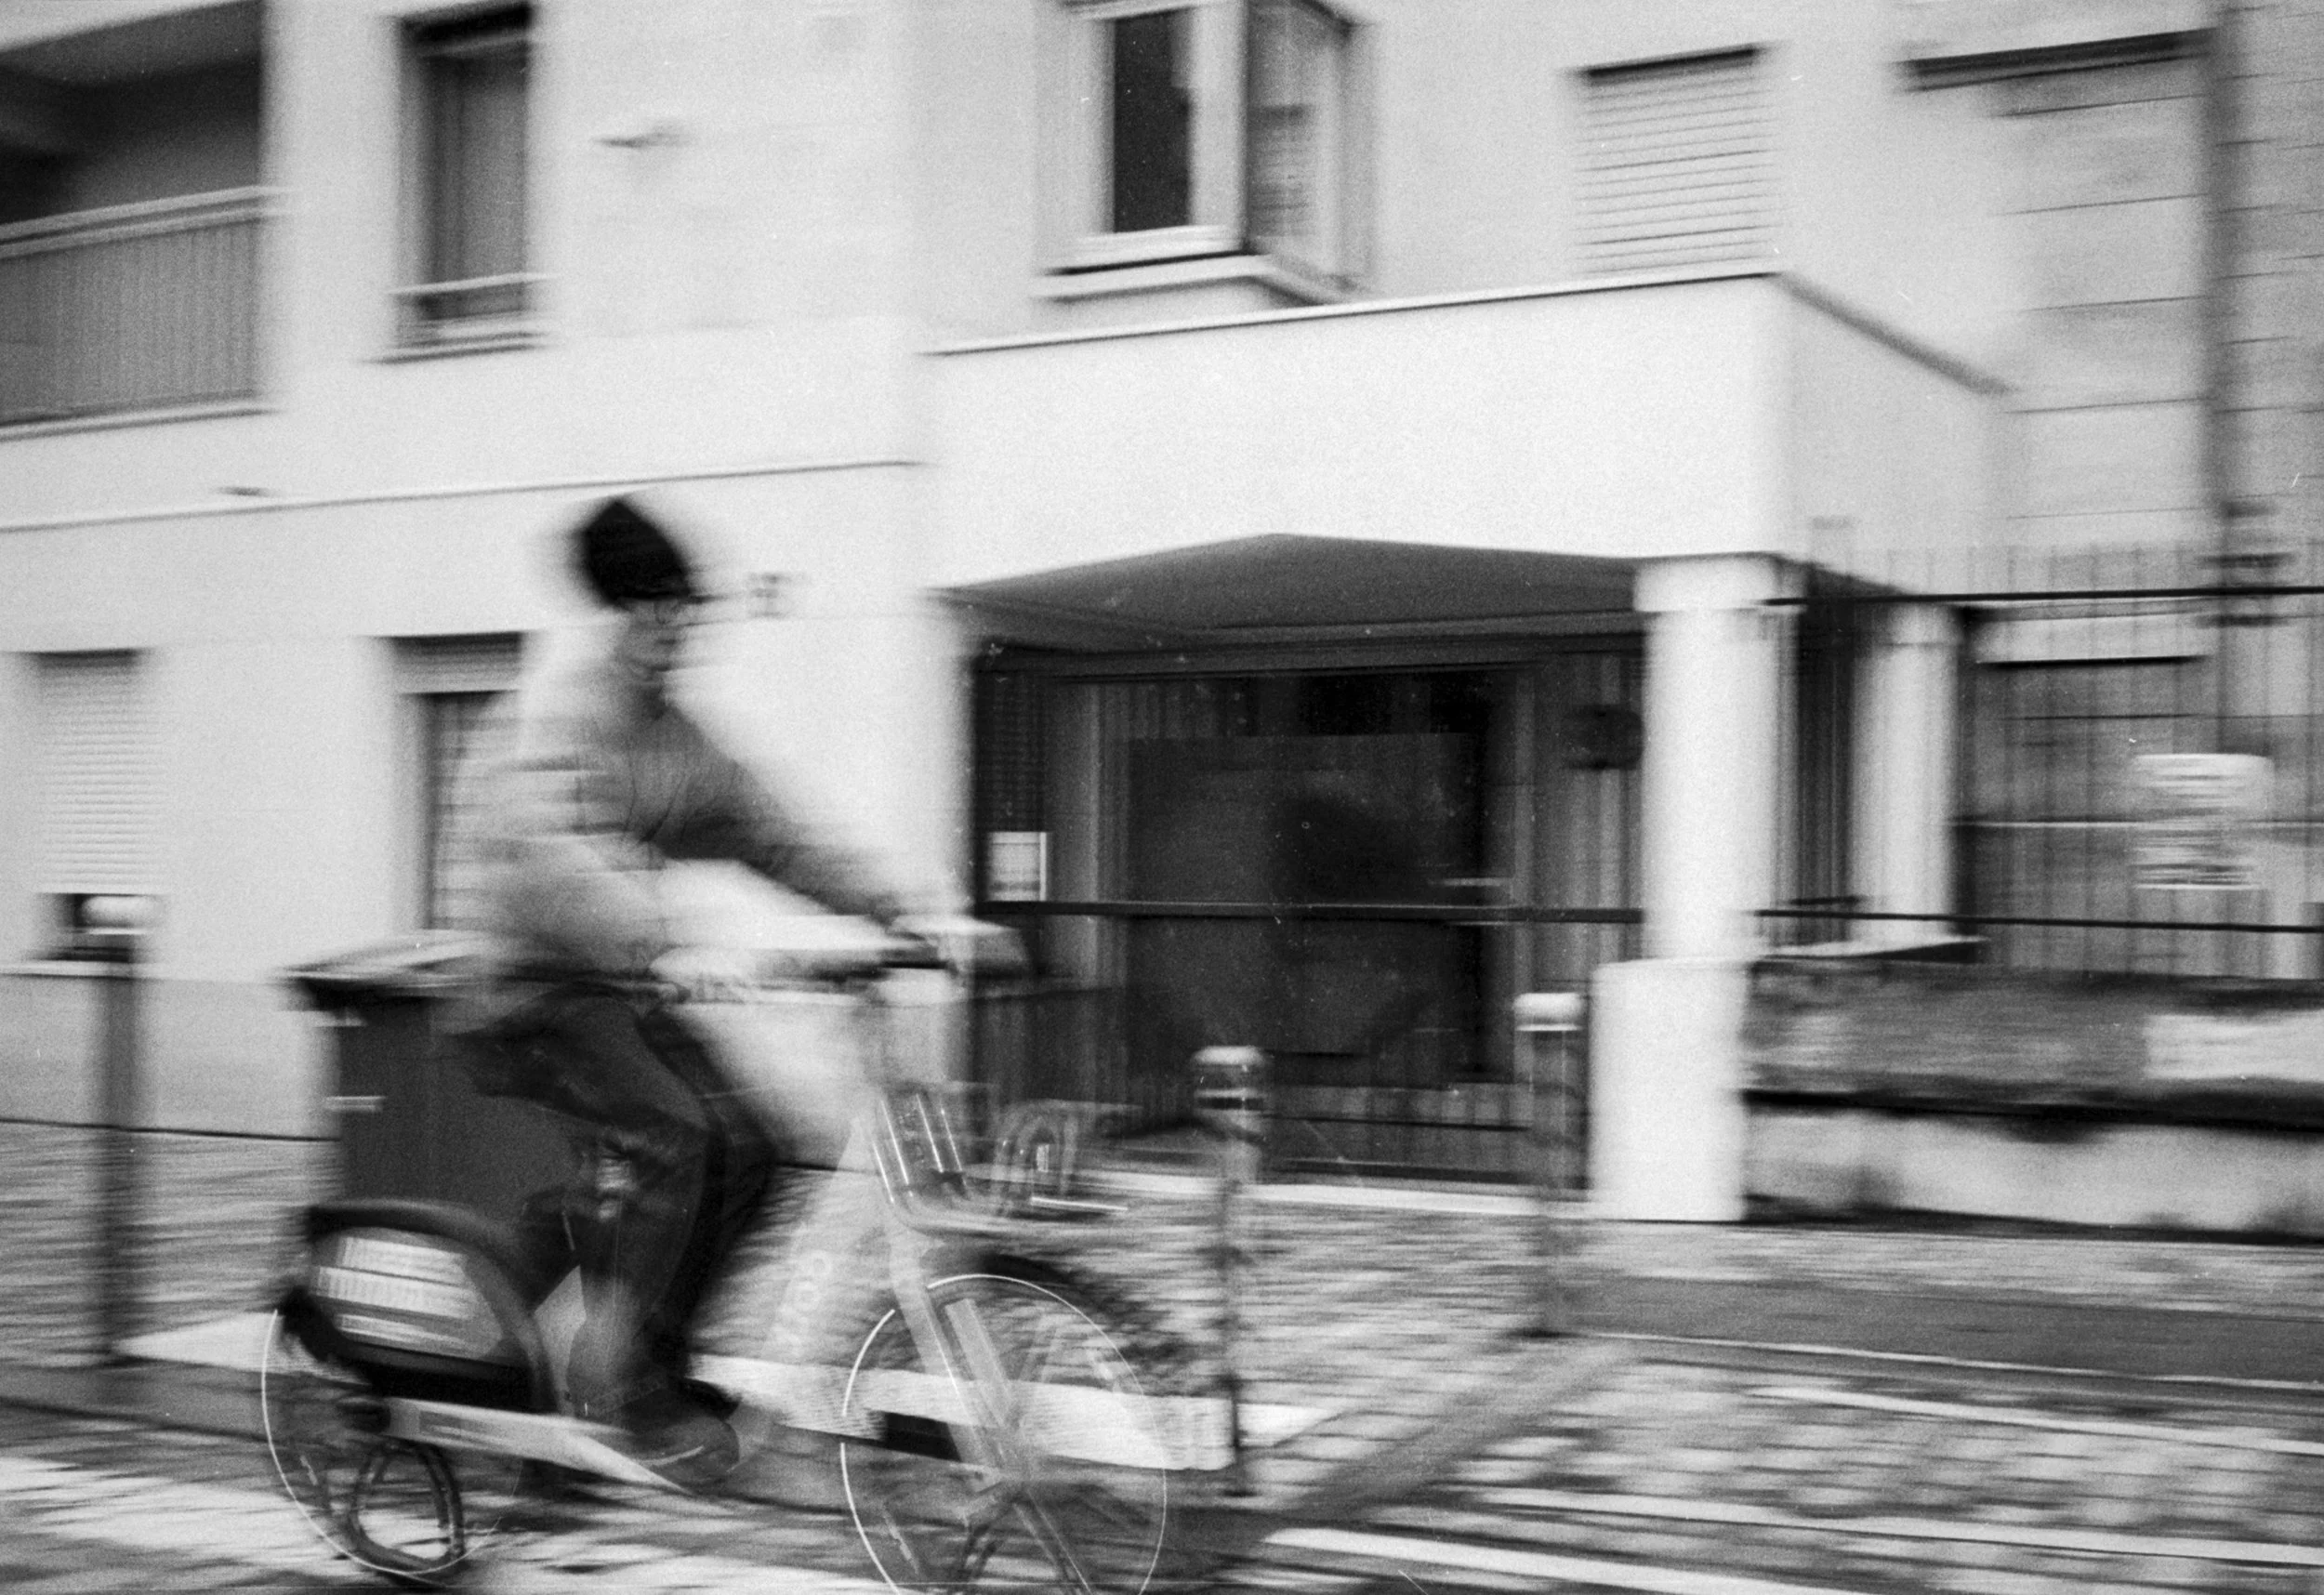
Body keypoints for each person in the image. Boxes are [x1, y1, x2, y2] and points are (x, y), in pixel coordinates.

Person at [463, 495, 912, 1486]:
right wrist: (655, 939)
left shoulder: (677, 736)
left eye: (687, 612)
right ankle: (630, 1391)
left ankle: (624, 1346)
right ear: (612, 614)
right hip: (533, 993)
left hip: (621, 983)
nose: (674, 632)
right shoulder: (564, 712)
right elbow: (545, 853)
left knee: (759, 1144)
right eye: (652, 612)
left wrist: (903, 910)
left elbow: (771, 829)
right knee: (688, 1139)